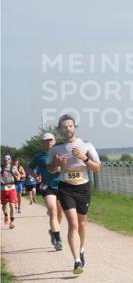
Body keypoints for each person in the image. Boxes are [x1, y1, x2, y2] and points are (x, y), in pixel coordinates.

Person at [47, 115, 101, 274]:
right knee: (74, 224)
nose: (68, 129)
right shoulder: (55, 149)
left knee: (82, 224)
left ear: (75, 127)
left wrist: (84, 158)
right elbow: (50, 169)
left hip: (83, 188)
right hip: (66, 188)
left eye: (70, 126)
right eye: (64, 126)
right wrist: (57, 163)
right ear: (60, 130)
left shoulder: (86, 145)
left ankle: (81, 249)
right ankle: (77, 261)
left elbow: (97, 168)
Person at [30, 133, 64, 250]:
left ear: (55, 141)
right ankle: (58, 240)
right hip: (47, 187)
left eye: (51, 140)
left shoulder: (62, 153)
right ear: (43, 143)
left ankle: (53, 232)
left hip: (61, 187)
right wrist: (35, 176)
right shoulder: (39, 156)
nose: (49, 142)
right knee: (53, 212)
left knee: (60, 214)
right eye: (46, 141)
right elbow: (29, 168)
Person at [1, 156, 17, 229]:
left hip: (12, 188)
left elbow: (19, 175)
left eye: (7, 160)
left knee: (12, 205)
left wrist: (19, 177)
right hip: (3, 189)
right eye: (4, 160)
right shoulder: (1, 169)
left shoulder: (13, 168)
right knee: (4, 205)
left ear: (10, 160)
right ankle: (6, 215)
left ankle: (12, 222)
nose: (5, 161)